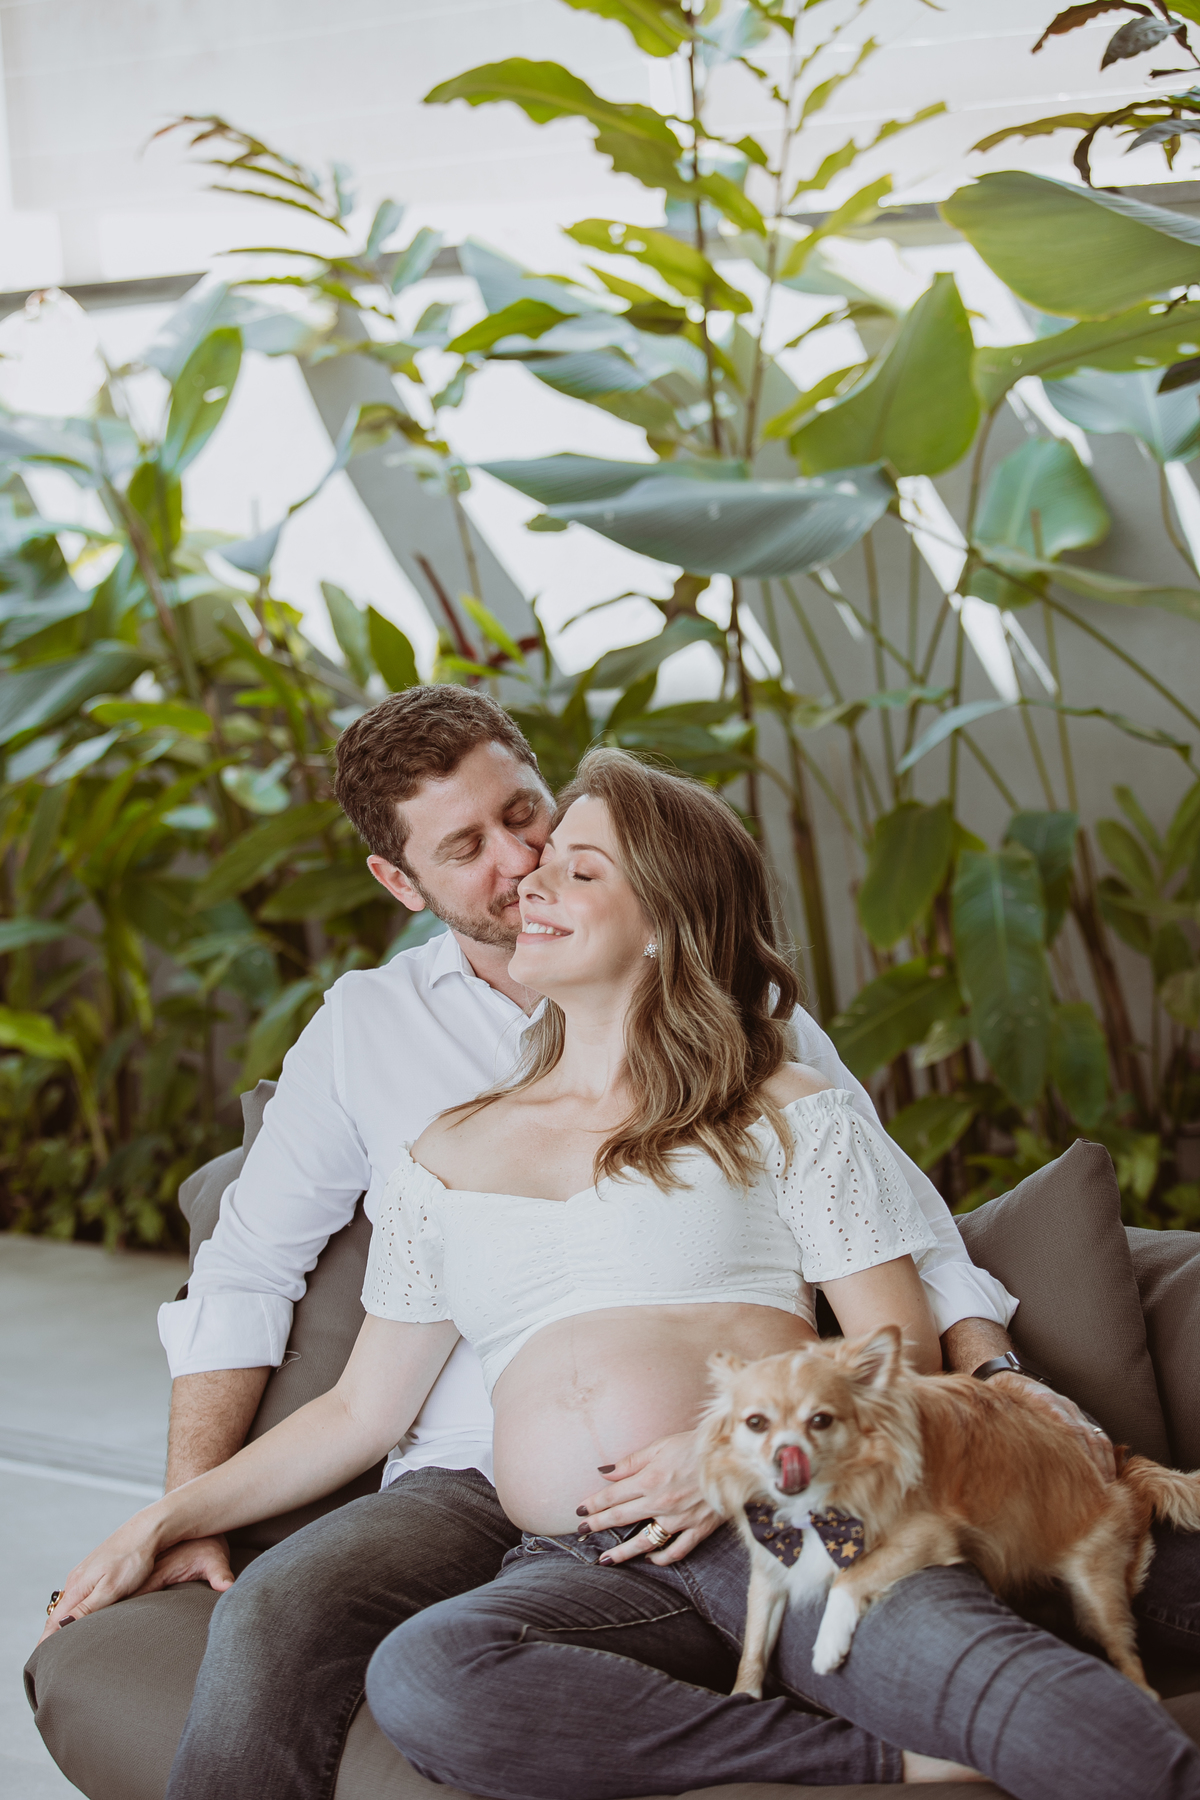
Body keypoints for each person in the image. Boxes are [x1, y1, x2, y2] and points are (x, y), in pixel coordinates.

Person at [41, 749, 1200, 1800]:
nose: (527, 877)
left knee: (1001, 1683)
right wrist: (167, 1515)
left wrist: (738, 1456)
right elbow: (360, 1410)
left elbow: (889, 1345)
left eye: (570, 863)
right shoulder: (444, 1150)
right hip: (583, 1554)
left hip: (787, 1510)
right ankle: (884, 1762)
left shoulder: (782, 1102)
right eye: (497, 855)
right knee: (433, 1673)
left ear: (663, 925)